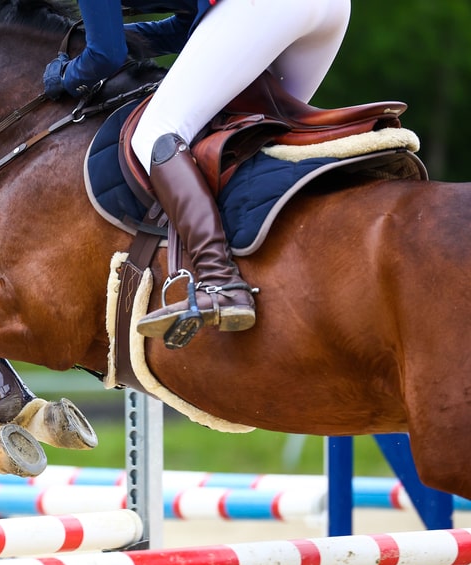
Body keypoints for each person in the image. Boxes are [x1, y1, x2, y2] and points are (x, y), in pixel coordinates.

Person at [43, 1, 350, 347]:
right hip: (329, 10)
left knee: (155, 134)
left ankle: (220, 281)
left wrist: (65, 75)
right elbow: (181, 28)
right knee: (253, 136)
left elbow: (105, 56)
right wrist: (112, 35)